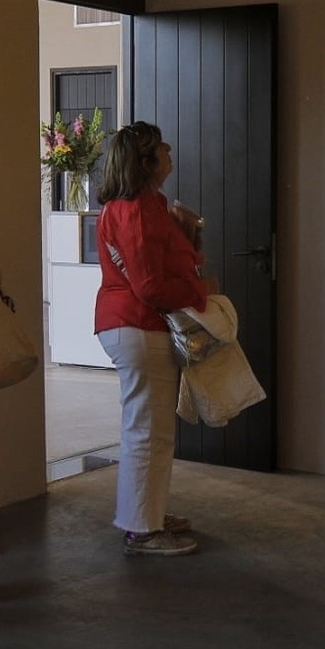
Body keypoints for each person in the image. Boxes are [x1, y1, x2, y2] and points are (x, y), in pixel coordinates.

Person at [94, 121, 208, 557]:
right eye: (164, 151)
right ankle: (143, 529)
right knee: (148, 431)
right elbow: (150, 286)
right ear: (146, 163)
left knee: (151, 430)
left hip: (138, 325)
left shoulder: (148, 206)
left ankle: (149, 514)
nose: (171, 157)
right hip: (138, 325)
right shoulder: (137, 210)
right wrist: (202, 292)